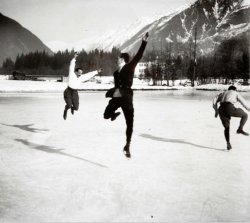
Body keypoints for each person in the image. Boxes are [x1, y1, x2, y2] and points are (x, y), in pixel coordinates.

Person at [104, 32, 149, 158]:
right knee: (106, 115)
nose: (116, 59)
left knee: (130, 123)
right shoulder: (115, 72)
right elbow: (116, 85)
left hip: (127, 98)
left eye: (118, 58)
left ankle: (127, 145)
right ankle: (113, 114)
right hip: (117, 97)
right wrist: (111, 91)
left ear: (123, 60)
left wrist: (144, 42)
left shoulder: (130, 67)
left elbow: (139, 56)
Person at [63, 53, 101, 120]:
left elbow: (89, 75)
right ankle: (65, 110)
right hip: (68, 91)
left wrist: (96, 72)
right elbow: (71, 66)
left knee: (76, 108)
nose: (80, 74)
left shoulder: (81, 77)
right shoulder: (72, 74)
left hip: (75, 92)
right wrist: (74, 58)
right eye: (79, 72)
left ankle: (72, 108)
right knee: (68, 105)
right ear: (76, 72)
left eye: (81, 73)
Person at [213, 85, 250, 150]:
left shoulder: (222, 93)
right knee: (245, 115)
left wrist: (216, 111)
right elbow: (243, 102)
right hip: (229, 107)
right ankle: (240, 129)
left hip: (221, 109)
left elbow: (214, 101)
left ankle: (228, 143)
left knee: (227, 127)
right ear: (234, 89)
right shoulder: (235, 93)